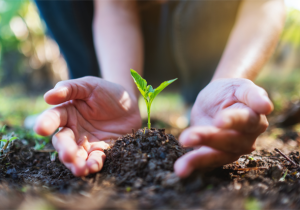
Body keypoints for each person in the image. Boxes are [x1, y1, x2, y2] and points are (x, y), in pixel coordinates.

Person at [33, 0, 285, 177]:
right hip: (120, 46)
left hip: (203, 37)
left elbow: (264, 4)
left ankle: (207, 92)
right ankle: (93, 96)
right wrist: (121, 92)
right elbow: (116, 7)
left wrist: (230, 78)